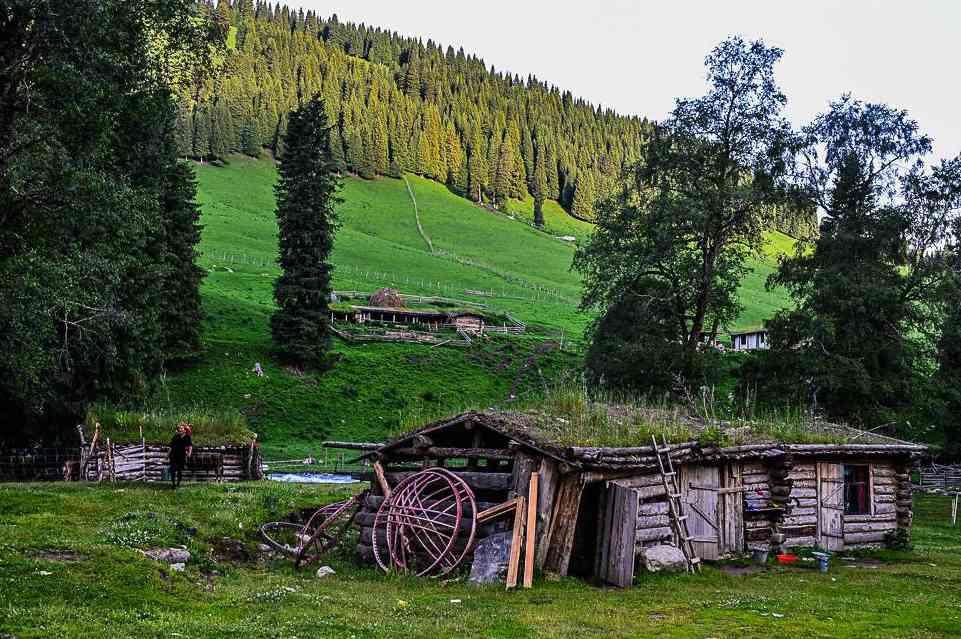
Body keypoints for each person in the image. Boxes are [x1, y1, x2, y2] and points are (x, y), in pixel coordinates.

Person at [168, 422, 193, 489]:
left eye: (181, 428)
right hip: (173, 455)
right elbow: (171, 446)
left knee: (179, 470)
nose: (180, 429)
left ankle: (178, 483)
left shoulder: (187, 437)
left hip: (181, 456)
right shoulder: (175, 437)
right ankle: (173, 484)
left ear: (184, 430)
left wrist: (189, 453)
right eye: (179, 428)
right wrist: (168, 454)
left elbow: (190, 446)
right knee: (172, 470)